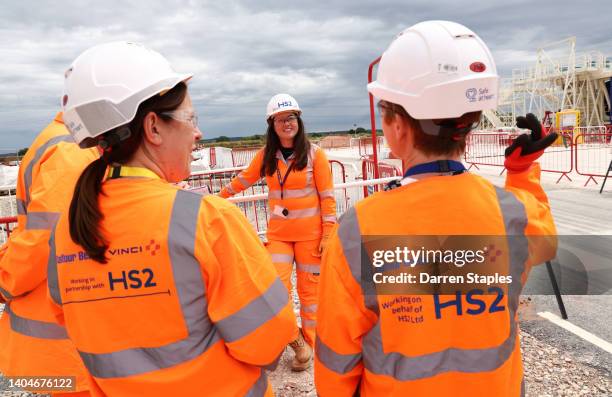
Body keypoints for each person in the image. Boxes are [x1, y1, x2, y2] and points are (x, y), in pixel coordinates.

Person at [314, 21, 558, 396]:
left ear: (398, 127)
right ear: (471, 122)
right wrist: (522, 173)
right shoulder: (512, 212)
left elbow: (336, 359)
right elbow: (545, 239)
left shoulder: (358, 229)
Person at [47, 41, 296, 396]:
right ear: (153, 127)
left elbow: (70, 323)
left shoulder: (66, 230)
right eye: (191, 118)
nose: (197, 133)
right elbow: (267, 337)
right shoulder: (205, 219)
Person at [219, 94, 336, 371]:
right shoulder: (266, 156)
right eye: (281, 119)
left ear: (299, 120)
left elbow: (328, 197)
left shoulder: (315, 155)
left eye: (292, 118)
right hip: (280, 236)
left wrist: (328, 233)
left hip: (311, 237)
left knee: (310, 297)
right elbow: (243, 181)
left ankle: (311, 347)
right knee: (275, 292)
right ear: (272, 124)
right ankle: (294, 340)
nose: (287, 123)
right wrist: (215, 198)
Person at [0, 112, 98, 396]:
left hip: (62, 344)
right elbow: (43, 240)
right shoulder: (72, 151)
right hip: (68, 346)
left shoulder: (69, 144)